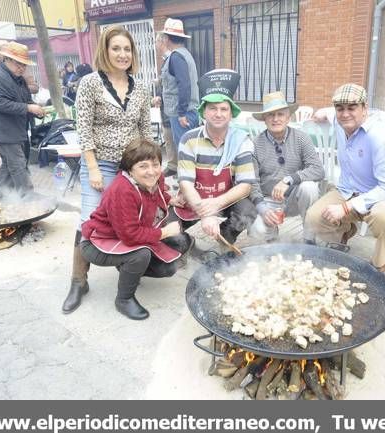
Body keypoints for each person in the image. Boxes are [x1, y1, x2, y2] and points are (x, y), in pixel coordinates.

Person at [61, 25, 154, 314]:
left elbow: (144, 130)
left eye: (127, 49)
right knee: (88, 219)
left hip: (131, 165)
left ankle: (127, 275)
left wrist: (148, 166)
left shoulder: (141, 86)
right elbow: (84, 128)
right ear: (105, 50)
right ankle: (78, 281)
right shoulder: (89, 83)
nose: (122, 54)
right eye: (116, 48)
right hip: (98, 162)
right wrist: (93, 168)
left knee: (131, 218)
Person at [80, 138, 192, 320]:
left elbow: (159, 193)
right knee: (141, 256)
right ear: (130, 168)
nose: (151, 171)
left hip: (122, 234)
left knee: (181, 243)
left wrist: (172, 200)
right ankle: (124, 299)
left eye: (155, 164)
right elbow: (131, 235)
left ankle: (126, 267)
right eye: (143, 166)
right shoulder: (122, 190)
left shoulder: (156, 177)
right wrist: (165, 232)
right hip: (98, 242)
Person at [305, 83, 385, 273]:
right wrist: (321, 112)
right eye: (340, 109)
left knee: (384, 219)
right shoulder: (339, 121)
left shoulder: (380, 136)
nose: (345, 114)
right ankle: (345, 231)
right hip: (348, 190)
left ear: (364, 108)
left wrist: (345, 208)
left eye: (352, 108)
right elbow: (330, 113)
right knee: (313, 218)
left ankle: (380, 263)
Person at [175, 69, 256, 244]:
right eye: (212, 108)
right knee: (173, 233)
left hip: (225, 199)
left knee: (247, 211)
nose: (218, 114)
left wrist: (216, 204)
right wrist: (205, 212)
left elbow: (245, 186)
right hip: (194, 198)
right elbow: (185, 182)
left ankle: (225, 238)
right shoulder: (188, 139)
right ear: (203, 112)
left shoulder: (241, 141)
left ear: (231, 114)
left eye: (223, 109)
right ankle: (187, 245)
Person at [248, 91, 324, 241]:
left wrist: (289, 179)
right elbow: (252, 182)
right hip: (268, 199)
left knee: (309, 187)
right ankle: (272, 242)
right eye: (271, 115)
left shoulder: (301, 138)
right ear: (264, 119)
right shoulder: (255, 144)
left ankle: (309, 239)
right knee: (257, 230)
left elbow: (318, 169)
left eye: (280, 114)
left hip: (295, 198)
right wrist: (262, 209)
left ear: (288, 117)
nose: (276, 119)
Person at [0, 41, 45, 200]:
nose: (22, 68)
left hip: (10, 127)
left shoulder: (16, 77)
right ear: (6, 59)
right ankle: (28, 196)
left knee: (9, 162)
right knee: (17, 162)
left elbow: (24, 99)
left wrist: (35, 108)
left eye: (24, 64)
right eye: (18, 63)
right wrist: (28, 108)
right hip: (0, 129)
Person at [155, 18, 200, 174]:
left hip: (182, 113)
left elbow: (184, 85)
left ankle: (186, 185)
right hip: (187, 111)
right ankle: (190, 183)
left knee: (185, 151)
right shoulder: (184, 54)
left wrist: (181, 112)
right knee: (190, 149)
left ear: (167, 38)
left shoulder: (176, 57)